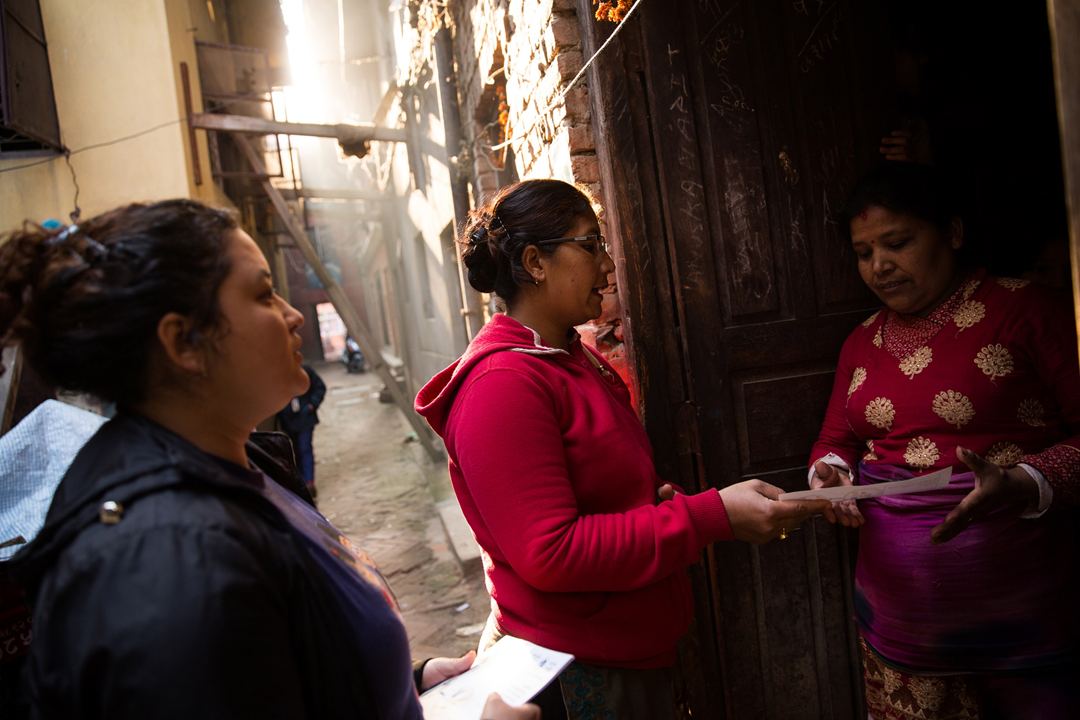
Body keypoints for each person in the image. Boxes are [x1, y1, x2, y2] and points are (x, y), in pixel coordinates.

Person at [1, 200, 537, 720]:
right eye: (262, 294)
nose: (292, 313)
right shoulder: (174, 560)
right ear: (183, 342)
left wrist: (404, 683)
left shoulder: (237, 464)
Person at [415, 180, 831, 720]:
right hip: (575, 666)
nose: (608, 265)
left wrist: (659, 503)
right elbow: (552, 552)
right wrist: (709, 516)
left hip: (620, 646)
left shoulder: (567, 358)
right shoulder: (502, 385)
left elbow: (603, 492)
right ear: (535, 262)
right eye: (590, 245)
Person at [809, 163, 1080, 719]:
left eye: (898, 243)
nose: (880, 266)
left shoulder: (1030, 312)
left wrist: (1024, 481)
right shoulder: (861, 342)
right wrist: (829, 476)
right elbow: (835, 442)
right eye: (864, 253)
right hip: (901, 634)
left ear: (952, 234)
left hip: (1029, 627)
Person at [278, 364, 326, 497]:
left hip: (305, 419)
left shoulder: (305, 372)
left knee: (305, 448)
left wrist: (311, 406)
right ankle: (301, 482)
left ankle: (309, 482)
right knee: (296, 451)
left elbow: (319, 387)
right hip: (289, 422)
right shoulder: (276, 376)